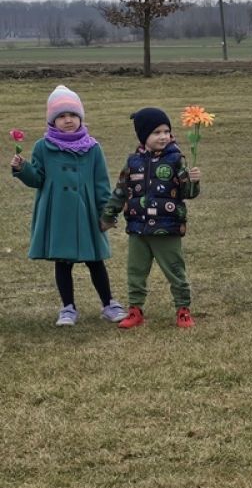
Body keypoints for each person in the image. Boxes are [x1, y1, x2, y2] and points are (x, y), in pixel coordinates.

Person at [9, 85, 126, 326]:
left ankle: (109, 304)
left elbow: (101, 185)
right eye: (61, 116)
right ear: (52, 121)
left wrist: (106, 214)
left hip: (86, 214)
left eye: (72, 114)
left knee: (95, 261)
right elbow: (38, 179)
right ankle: (68, 308)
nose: (68, 120)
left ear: (80, 117)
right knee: (63, 262)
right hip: (58, 214)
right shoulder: (43, 147)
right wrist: (23, 169)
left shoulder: (93, 148)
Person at [101, 107, 200, 329]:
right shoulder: (132, 162)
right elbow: (120, 190)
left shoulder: (176, 160)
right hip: (138, 228)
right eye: (156, 132)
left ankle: (183, 310)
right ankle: (135, 310)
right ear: (143, 136)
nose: (163, 136)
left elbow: (188, 193)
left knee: (175, 269)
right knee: (135, 272)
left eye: (166, 131)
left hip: (167, 227)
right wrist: (108, 214)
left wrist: (193, 181)